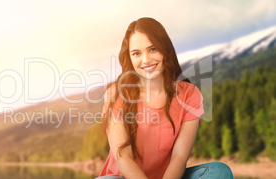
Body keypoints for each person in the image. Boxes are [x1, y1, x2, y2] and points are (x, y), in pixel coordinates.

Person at [96, 17, 233, 179]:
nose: (146, 59)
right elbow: (123, 157)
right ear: (130, 57)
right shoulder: (117, 94)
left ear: (165, 49)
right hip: (123, 177)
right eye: (136, 53)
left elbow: (179, 157)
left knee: (219, 172)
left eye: (152, 49)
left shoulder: (189, 94)